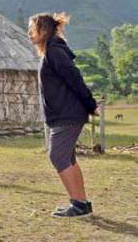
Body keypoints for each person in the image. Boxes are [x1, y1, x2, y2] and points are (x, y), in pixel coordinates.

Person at [28, 12, 98, 218]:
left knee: (57, 156)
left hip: (67, 114)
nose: (29, 33)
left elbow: (75, 78)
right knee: (67, 157)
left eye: (32, 29)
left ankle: (78, 205)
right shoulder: (52, 51)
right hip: (64, 114)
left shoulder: (55, 52)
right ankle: (81, 203)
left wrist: (91, 104)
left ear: (43, 30)